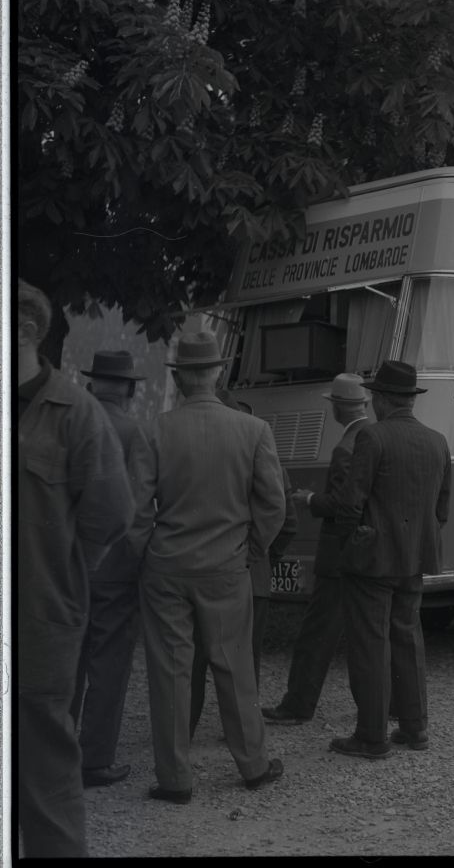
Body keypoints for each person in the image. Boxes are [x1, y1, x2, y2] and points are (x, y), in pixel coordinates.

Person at [129, 331, 286, 803]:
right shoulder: (252, 430)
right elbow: (273, 505)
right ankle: (253, 767)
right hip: (226, 566)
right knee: (234, 666)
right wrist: (251, 549)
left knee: (170, 672)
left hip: (167, 567)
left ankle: (174, 779)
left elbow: (136, 510)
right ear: (218, 373)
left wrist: (144, 556)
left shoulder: (153, 430)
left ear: (178, 378)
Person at [17, 279, 135, 857]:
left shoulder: (75, 414)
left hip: (42, 621)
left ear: (24, 331)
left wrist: (62, 574)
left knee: (45, 769)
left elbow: (111, 513)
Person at [328, 360, 451, 760]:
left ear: (380, 399)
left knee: (371, 644)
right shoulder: (437, 441)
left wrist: (350, 539)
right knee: (407, 637)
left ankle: (371, 735)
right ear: (410, 399)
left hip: (373, 558)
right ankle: (415, 729)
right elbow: (443, 508)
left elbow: (351, 502)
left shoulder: (373, 438)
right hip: (415, 557)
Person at [262, 373, 371, 725]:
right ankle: (382, 707)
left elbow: (341, 504)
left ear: (338, 407)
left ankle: (297, 704)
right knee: (367, 634)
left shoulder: (345, 446)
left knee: (315, 635)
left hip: (337, 554)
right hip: (366, 552)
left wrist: (310, 499)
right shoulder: (373, 437)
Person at [189, 390, 298, 740]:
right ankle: (242, 733)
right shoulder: (269, 458)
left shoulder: (196, 457)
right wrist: (260, 554)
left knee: (193, 659)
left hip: (200, 570)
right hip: (253, 575)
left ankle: (184, 728)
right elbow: (288, 521)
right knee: (244, 661)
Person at [70, 350, 153, 789]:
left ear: (91, 384)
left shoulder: (68, 426)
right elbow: (137, 506)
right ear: (131, 389)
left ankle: (53, 755)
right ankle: (95, 759)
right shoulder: (133, 432)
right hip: (116, 566)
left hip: (66, 566)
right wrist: (138, 559)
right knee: (108, 664)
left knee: (68, 662)